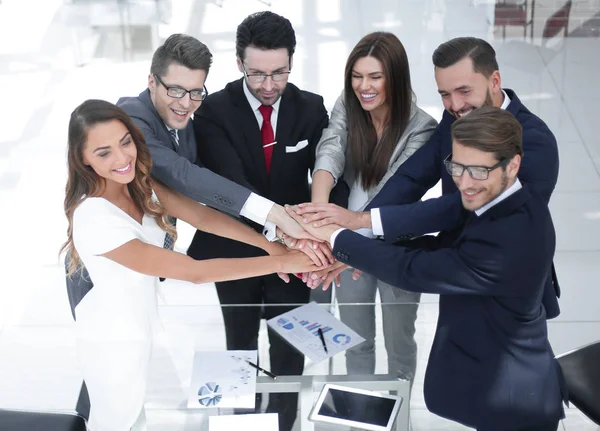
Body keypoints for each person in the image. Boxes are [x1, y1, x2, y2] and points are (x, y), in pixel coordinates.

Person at [288, 107, 567, 431]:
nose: (463, 182)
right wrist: (355, 248)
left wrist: (337, 239)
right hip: (499, 371)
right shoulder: (501, 194)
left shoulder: (506, 242)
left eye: (475, 170)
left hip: (512, 400)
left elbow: (412, 270)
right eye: (456, 168)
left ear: (514, 164)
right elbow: (438, 232)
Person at [61, 99, 319, 431]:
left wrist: (269, 246)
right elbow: (193, 272)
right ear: (82, 158)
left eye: (125, 142)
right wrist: (283, 260)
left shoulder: (139, 184)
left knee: (134, 420)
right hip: (112, 340)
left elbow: (202, 216)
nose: (123, 158)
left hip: (141, 325)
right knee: (116, 422)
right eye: (104, 152)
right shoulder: (94, 216)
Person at [297, 37, 561, 319]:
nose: (455, 105)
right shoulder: (458, 118)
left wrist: (359, 227)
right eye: (444, 94)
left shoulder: (534, 142)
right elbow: (413, 176)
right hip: (453, 272)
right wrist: (357, 239)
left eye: (463, 91)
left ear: (494, 81)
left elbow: (462, 209)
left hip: (508, 290)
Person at [186, 12, 340, 431]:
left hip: (295, 254)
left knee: (290, 347)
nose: (269, 85)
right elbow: (231, 186)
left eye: (279, 73)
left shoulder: (310, 107)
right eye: (257, 74)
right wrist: (287, 232)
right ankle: (240, 425)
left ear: (292, 61)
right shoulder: (213, 110)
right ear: (239, 63)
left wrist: (326, 234)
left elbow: (329, 176)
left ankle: (284, 425)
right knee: (238, 344)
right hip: (235, 246)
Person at [308, 32, 436, 382]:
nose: (364, 86)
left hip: (396, 248)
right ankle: (359, 413)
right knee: (356, 342)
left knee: (400, 343)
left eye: (375, 77)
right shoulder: (347, 105)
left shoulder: (423, 127)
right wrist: (320, 222)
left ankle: (400, 417)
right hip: (347, 248)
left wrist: (343, 241)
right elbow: (330, 151)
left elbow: (395, 190)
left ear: (395, 77)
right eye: (357, 76)